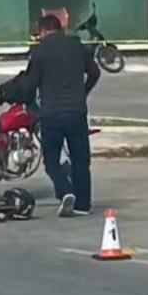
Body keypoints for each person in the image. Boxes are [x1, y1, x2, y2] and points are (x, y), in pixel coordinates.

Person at [23, 14, 101, 217]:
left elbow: (30, 84)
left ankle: (65, 191)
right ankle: (83, 205)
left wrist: (28, 103)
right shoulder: (77, 46)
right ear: (61, 28)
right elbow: (94, 73)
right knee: (80, 160)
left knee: (51, 160)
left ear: (42, 30)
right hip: (76, 111)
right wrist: (84, 92)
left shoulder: (39, 52)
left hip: (51, 113)